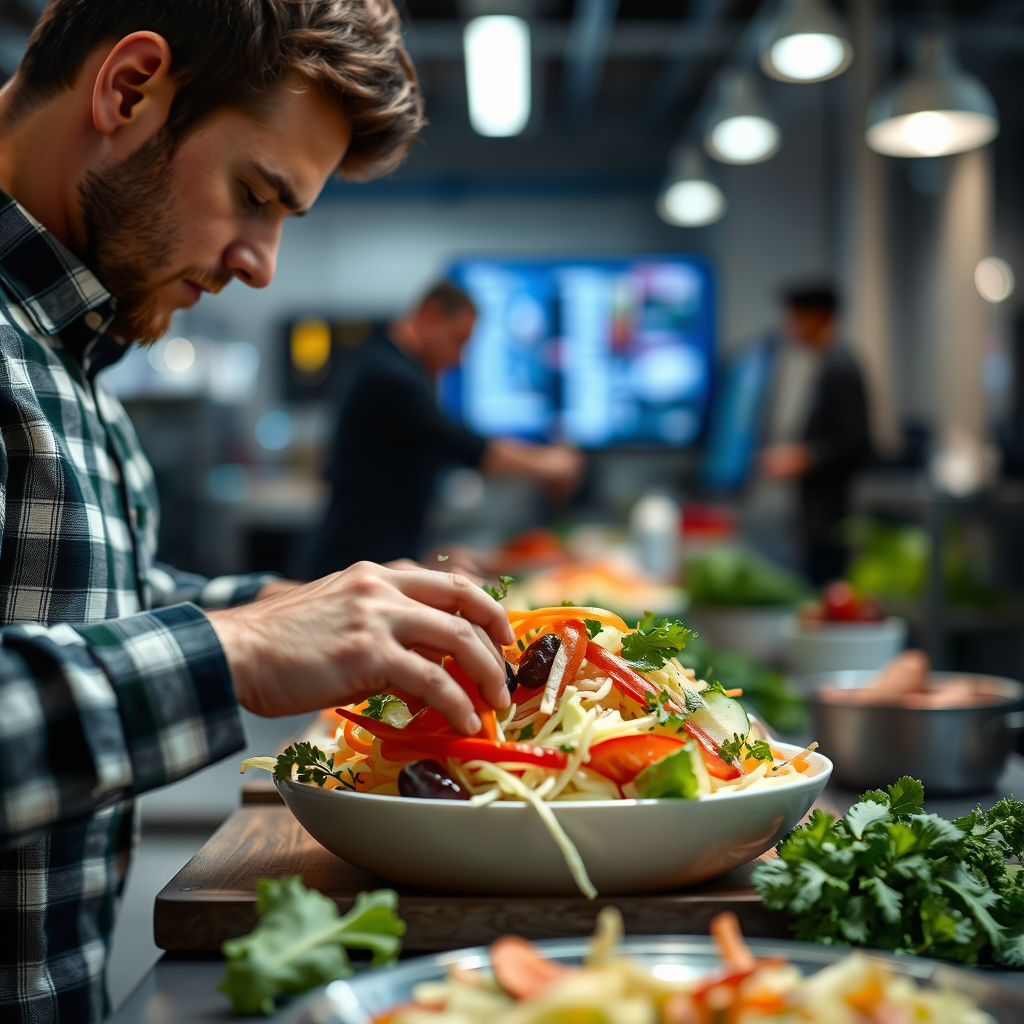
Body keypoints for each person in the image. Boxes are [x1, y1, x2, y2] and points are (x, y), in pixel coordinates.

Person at [0, 3, 518, 1021]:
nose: (260, 264)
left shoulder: (72, 352)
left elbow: (80, 611)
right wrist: (228, 646)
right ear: (129, 88)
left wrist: (312, 606)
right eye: (254, 194)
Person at [310, 281, 584, 572]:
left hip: (374, 558)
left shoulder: (392, 363)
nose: (458, 358)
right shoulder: (388, 374)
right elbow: (467, 446)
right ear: (431, 315)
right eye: (458, 340)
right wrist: (550, 464)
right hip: (350, 562)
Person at [758, 282, 874, 584]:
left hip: (833, 516)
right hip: (820, 517)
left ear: (820, 317)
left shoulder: (840, 369)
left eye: (795, 318)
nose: (790, 327)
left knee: (826, 586)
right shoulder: (828, 365)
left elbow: (856, 441)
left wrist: (804, 457)